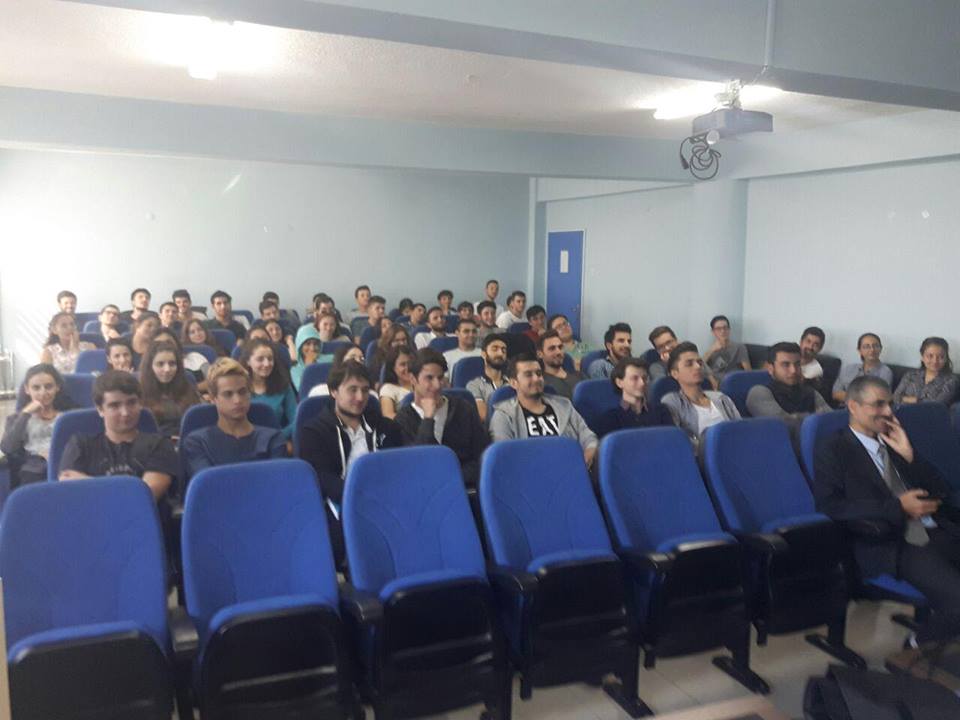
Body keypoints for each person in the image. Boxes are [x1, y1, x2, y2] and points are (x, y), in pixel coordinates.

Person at [814, 375, 960, 644]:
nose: (888, 411)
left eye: (890, 403)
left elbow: (941, 489)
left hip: (936, 530)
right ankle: (917, 644)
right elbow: (831, 506)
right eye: (879, 404)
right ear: (853, 406)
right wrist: (898, 507)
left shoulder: (894, 439)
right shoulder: (834, 448)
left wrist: (910, 456)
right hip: (893, 542)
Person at [299, 361, 403, 566]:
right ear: (334, 391)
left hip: (383, 498)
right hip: (340, 503)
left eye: (365, 390)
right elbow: (322, 478)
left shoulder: (386, 427)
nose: (360, 397)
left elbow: (396, 469)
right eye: (352, 390)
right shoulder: (314, 431)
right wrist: (362, 497)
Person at [59, 370, 177, 501]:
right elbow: (70, 490)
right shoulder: (81, 445)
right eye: (114, 405)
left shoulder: (160, 445)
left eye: (131, 403)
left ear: (140, 404)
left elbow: (142, 498)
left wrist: (88, 484)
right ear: (100, 409)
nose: (125, 412)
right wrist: (130, 489)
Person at [395, 349, 488, 487]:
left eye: (440, 378)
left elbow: (482, 456)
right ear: (413, 379)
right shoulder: (404, 418)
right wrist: (428, 419)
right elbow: (417, 462)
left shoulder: (463, 409)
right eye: (429, 378)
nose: (437, 385)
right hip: (423, 489)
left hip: (464, 487)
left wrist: (451, 478)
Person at [181, 359, 286, 479]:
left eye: (242, 392)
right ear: (213, 398)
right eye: (228, 394)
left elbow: (277, 483)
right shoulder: (197, 442)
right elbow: (208, 484)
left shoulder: (273, 439)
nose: (237, 400)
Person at [490, 353, 598, 468]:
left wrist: (587, 456)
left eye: (539, 373)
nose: (536, 379)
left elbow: (588, 437)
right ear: (513, 383)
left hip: (572, 469)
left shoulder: (564, 405)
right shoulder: (504, 415)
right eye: (528, 375)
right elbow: (505, 455)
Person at [1, 364, 72, 487]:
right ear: (27, 389)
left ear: (57, 387)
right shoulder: (17, 419)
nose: (43, 392)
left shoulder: (68, 416)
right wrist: (25, 413)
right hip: (34, 470)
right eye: (36, 388)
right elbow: (8, 448)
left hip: (65, 465)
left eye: (48, 386)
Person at [747, 342, 830, 445]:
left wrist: (799, 417)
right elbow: (784, 425)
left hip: (814, 444)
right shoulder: (759, 392)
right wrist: (816, 417)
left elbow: (831, 419)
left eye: (797, 364)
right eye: (785, 365)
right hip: (777, 447)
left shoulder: (810, 392)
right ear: (770, 368)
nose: (793, 370)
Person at [661, 342, 740, 450]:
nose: (698, 367)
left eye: (699, 362)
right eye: (689, 364)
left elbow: (740, 428)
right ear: (675, 374)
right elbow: (677, 440)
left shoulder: (720, 398)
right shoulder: (673, 401)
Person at [594, 357, 673, 438]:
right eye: (635, 378)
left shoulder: (661, 411)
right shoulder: (610, 419)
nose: (642, 383)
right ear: (619, 382)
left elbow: (671, 440)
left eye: (645, 378)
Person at [139, 340, 201, 439]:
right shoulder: (139, 394)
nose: (167, 369)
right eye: (160, 364)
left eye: (172, 364)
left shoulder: (187, 387)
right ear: (150, 367)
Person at [240, 339, 297, 440]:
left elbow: (295, 420)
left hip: (277, 441)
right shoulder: (239, 388)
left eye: (270, 359)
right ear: (248, 361)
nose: (267, 364)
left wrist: (278, 437)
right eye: (260, 359)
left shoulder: (283, 385)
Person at [893, 336, 959, 407]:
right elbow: (895, 397)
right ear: (922, 357)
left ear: (946, 359)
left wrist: (913, 399)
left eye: (941, 357)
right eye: (930, 356)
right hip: (900, 412)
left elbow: (936, 405)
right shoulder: (911, 375)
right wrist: (920, 400)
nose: (935, 361)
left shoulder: (950, 380)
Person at [833, 333, 894, 404]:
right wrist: (861, 399)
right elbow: (835, 394)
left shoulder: (885, 372)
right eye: (866, 346)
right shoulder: (848, 369)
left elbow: (878, 399)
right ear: (859, 350)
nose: (872, 350)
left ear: (880, 349)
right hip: (843, 408)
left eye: (875, 346)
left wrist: (847, 396)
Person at [466, 334, 509, 422]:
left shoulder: (513, 383)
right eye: (495, 349)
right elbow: (484, 415)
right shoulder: (474, 385)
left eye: (503, 350)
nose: (500, 353)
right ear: (483, 354)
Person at [538, 330, 584, 400]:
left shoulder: (579, 375)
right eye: (552, 348)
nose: (558, 352)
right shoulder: (542, 384)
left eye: (560, 347)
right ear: (540, 354)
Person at [703, 315, 750, 381]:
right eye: (718, 329)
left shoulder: (739, 347)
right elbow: (700, 366)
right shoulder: (711, 349)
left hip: (732, 380)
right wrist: (711, 351)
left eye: (725, 328)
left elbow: (748, 371)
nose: (723, 331)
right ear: (713, 332)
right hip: (714, 380)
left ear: (729, 329)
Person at [378, 346, 417, 419]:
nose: (408, 368)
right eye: (403, 364)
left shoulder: (421, 385)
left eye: (410, 363)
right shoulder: (388, 388)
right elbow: (388, 416)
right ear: (393, 368)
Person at [799, 326, 828, 397]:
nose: (810, 347)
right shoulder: (789, 357)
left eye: (815, 345)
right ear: (801, 342)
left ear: (820, 348)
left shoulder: (816, 369)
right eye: (808, 341)